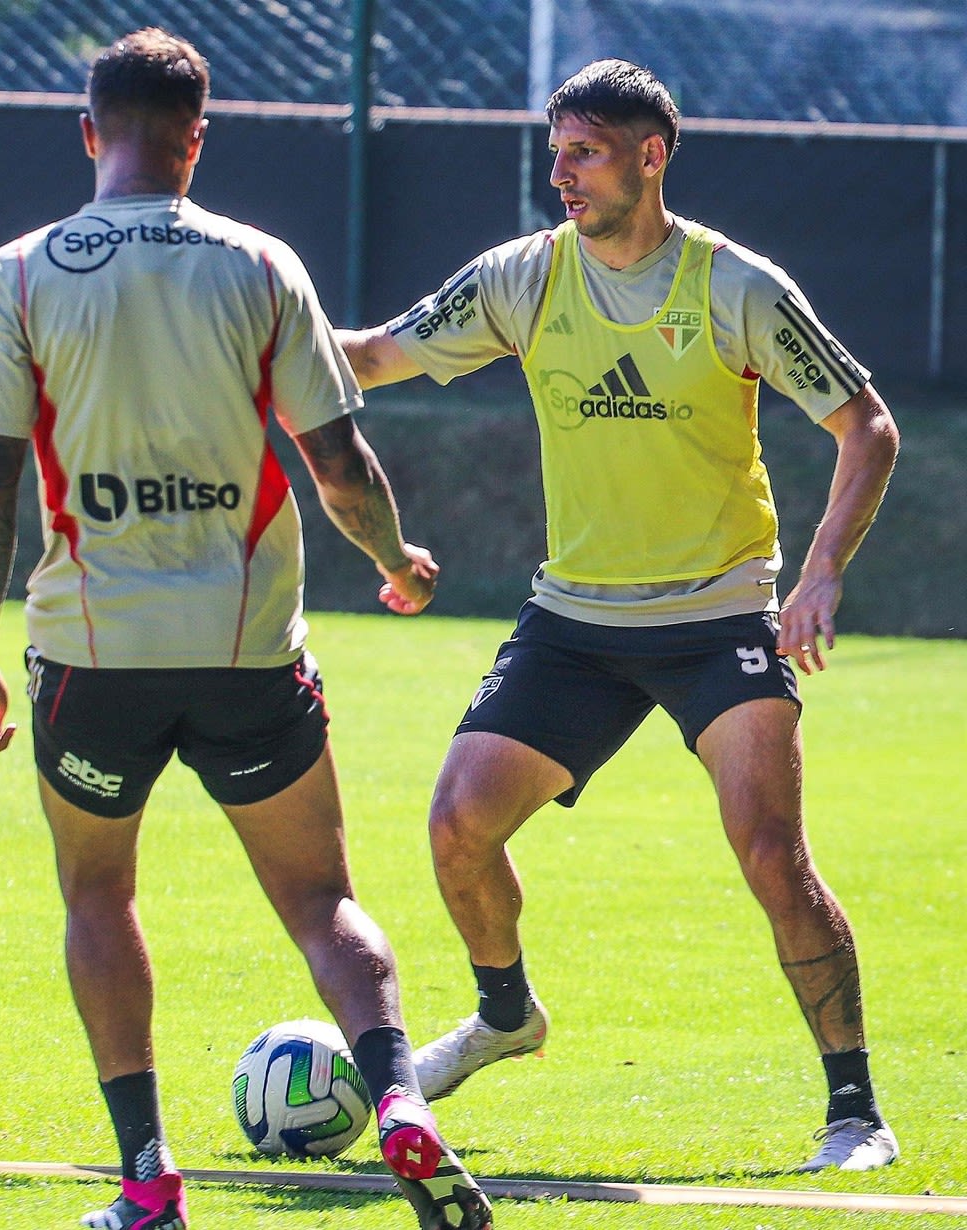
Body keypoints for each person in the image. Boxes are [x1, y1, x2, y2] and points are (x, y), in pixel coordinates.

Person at [336, 58, 901, 1173]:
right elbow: (372, 356)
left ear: (652, 156)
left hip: (718, 612)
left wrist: (823, 568)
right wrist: (244, 343)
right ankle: (505, 1016)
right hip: (577, 621)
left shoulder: (734, 286)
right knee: (458, 825)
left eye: (585, 153)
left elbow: (866, 424)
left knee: (771, 857)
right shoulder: (523, 277)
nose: (563, 175)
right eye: (556, 154)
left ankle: (856, 1112)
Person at [0, 28, 491, 1230]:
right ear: (198, 140)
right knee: (322, 902)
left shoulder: (14, 276)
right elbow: (341, 463)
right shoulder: (263, 265)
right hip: (251, 656)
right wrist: (395, 561)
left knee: (98, 898)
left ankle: (151, 1184)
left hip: (91, 659)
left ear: (88, 131)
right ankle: (403, 1105)